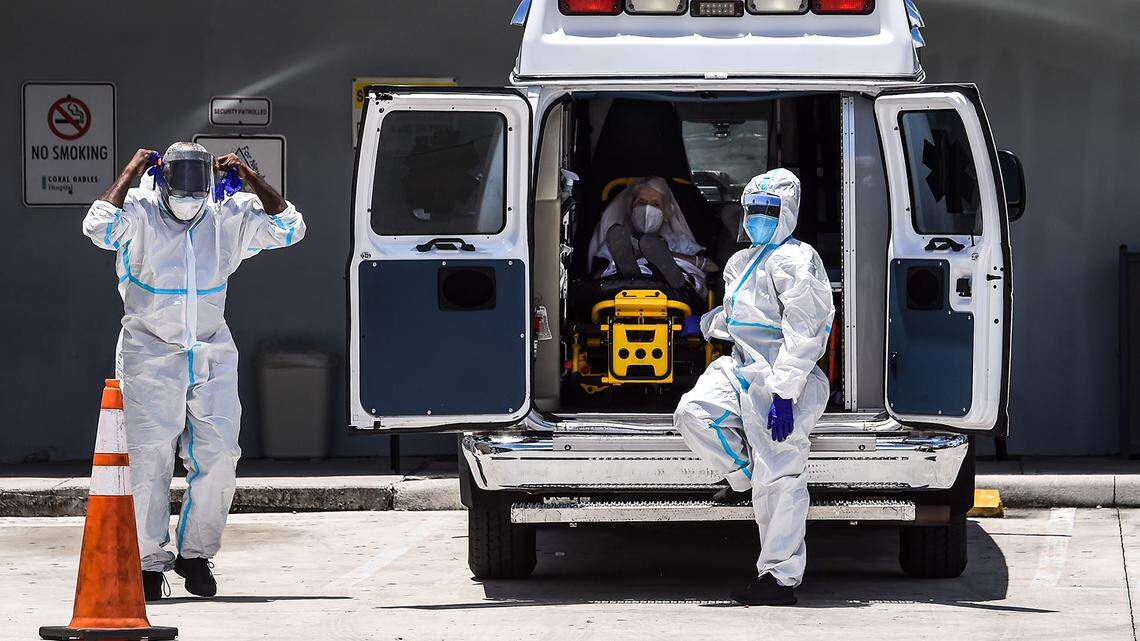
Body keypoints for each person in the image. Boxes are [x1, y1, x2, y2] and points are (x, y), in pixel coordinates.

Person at [82, 142, 306, 601]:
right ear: (161, 177)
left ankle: (195, 554)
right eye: (177, 182)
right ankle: (147, 563)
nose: (187, 195)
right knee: (149, 460)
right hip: (149, 352)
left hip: (210, 352)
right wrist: (130, 171)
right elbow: (98, 226)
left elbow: (290, 228)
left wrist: (250, 177)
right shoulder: (139, 211)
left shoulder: (226, 215)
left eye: (196, 184)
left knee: (221, 456)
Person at [673, 168, 834, 606]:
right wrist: (701, 325)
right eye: (751, 210)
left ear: (787, 213)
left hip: (785, 377)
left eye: (768, 210)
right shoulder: (743, 261)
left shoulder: (799, 261)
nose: (757, 218)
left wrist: (784, 393)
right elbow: (740, 318)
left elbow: (805, 333)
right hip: (742, 366)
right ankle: (743, 476)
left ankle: (779, 580)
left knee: (780, 477)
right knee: (694, 413)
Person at [586, 177, 718, 299]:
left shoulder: (680, 241)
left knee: (677, 277)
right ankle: (632, 274)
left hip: (674, 292)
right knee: (619, 277)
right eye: (642, 202)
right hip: (622, 293)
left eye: (655, 204)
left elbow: (713, 268)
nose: (647, 209)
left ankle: (663, 274)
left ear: (666, 212)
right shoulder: (617, 242)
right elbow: (595, 279)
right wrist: (637, 256)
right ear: (631, 209)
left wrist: (667, 254)